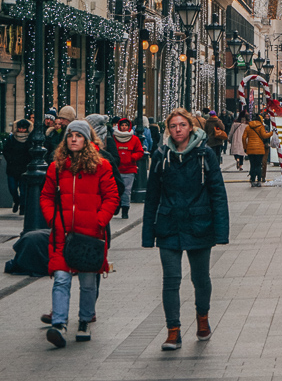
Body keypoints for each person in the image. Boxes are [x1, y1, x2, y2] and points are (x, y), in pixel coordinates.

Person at [142, 107, 229, 351]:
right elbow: (152, 197)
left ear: (190, 127)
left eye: (182, 125)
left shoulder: (204, 155)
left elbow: (218, 194)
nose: (177, 129)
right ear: (168, 130)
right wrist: (148, 233)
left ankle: (203, 319)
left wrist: (221, 231)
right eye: (173, 126)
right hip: (169, 226)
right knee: (171, 280)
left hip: (199, 224)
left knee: (200, 278)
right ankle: (173, 331)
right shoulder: (161, 155)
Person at [39, 120, 119, 348]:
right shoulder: (56, 167)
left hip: (90, 233)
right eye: (70, 135)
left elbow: (112, 196)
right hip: (62, 233)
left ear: (87, 139)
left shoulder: (101, 165)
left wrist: (99, 220)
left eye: (79, 135)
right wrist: (52, 219)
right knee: (61, 278)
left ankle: (84, 320)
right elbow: (45, 196)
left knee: (87, 280)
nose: (74, 139)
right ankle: (59, 324)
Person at [112, 117, 145, 218]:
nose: (124, 127)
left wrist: (132, 157)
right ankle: (116, 206)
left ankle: (125, 210)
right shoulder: (114, 138)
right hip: (117, 169)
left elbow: (140, 152)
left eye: (126, 125)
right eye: (122, 125)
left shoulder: (134, 139)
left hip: (129, 169)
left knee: (126, 191)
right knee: (115, 190)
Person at [2, 118, 32, 212]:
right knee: (12, 188)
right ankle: (16, 200)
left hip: (23, 167)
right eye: (20, 128)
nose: (21, 130)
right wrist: (10, 159)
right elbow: (6, 150)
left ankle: (22, 206)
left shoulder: (29, 140)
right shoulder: (12, 138)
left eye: (23, 128)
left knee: (23, 189)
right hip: (12, 167)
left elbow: (30, 153)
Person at [242, 111, 271, 187]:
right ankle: (258, 181)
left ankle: (252, 180)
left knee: (252, 165)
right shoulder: (261, 127)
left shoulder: (248, 127)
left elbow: (244, 137)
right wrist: (272, 133)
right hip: (259, 149)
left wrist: (245, 147)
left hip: (250, 149)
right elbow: (264, 136)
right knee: (258, 165)